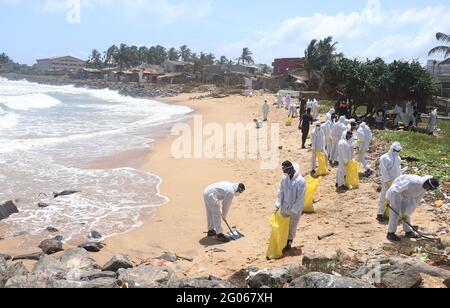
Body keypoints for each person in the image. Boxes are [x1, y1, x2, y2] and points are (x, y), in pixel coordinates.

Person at [386, 176, 439, 242]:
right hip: (397, 192)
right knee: (395, 213)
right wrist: (388, 197)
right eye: (429, 188)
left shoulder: (423, 190)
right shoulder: (413, 182)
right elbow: (396, 187)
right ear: (427, 183)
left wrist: (406, 213)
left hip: (406, 195)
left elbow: (415, 202)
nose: (427, 190)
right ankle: (390, 233)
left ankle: (408, 232)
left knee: (406, 214)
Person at [275, 161, 306, 252]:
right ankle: (282, 242)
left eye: (284, 170)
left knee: (292, 226)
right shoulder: (284, 179)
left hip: (295, 209)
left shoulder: (300, 181)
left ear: (290, 169)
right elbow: (281, 192)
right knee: (284, 225)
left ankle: (289, 243)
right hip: (285, 207)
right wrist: (278, 204)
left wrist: (294, 209)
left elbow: (301, 197)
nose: (284, 172)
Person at [377, 142, 403, 223]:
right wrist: (388, 180)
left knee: (393, 198)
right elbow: (383, 170)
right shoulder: (385, 158)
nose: (397, 152)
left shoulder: (398, 158)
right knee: (384, 196)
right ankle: (380, 213)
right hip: (387, 181)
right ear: (392, 149)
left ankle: (388, 214)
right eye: (396, 150)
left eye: (398, 151)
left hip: (395, 181)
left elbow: (397, 170)